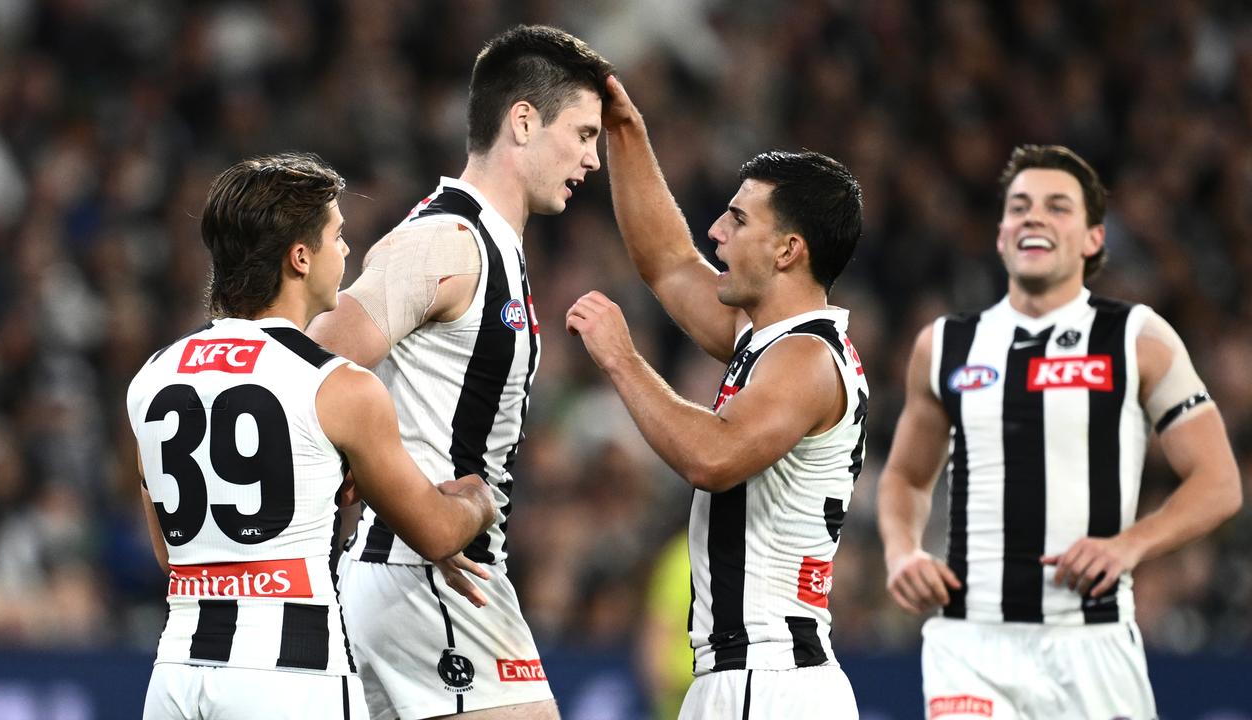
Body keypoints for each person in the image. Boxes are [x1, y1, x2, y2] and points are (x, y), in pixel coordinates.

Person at [306, 25, 613, 720]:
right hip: (433, 576)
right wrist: (411, 506)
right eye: (585, 134)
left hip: (417, 572)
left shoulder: (489, 244)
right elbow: (310, 370)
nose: (594, 159)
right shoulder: (445, 240)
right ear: (524, 122)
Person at [876, 144, 1243, 719]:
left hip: (1091, 642)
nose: (1034, 218)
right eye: (1019, 206)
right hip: (970, 643)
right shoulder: (943, 345)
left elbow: (1219, 482)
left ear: (1095, 238)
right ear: (1000, 234)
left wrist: (1131, 545)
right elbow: (905, 476)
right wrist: (902, 553)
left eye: (1057, 206)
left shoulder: (1137, 337)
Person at [126, 153, 495, 719]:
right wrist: (477, 500)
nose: (346, 250)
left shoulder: (151, 376)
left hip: (176, 675)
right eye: (337, 236)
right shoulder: (338, 386)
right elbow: (437, 533)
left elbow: (169, 551)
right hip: (290, 675)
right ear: (300, 258)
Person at [564, 76, 866, 719]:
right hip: (749, 675)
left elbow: (713, 456)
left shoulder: (806, 358)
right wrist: (626, 131)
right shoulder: (766, 338)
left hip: (769, 678)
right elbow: (668, 261)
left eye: (737, 219)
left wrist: (621, 358)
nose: (715, 232)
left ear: (789, 249)